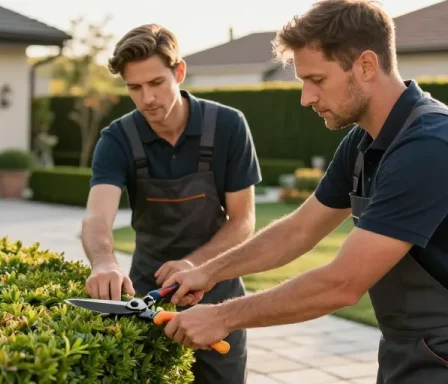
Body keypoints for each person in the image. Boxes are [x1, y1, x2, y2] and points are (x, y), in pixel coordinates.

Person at [160, 1, 448, 383]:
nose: (305, 98)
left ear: (365, 65)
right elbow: (299, 230)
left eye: (317, 80)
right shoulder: (364, 142)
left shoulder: (429, 146)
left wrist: (221, 316)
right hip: (407, 348)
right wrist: (207, 272)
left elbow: (342, 284)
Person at [80, 24, 262, 384]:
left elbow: (243, 220)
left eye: (156, 83)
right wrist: (103, 262)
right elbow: (97, 217)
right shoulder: (117, 139)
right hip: (150, 295)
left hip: (218, 293)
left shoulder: (228, 126)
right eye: (135, 87)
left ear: (178, 72)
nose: (147, 98)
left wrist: (194, 264)